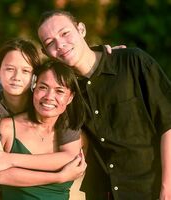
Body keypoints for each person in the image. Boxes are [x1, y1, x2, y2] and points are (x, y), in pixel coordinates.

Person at [37, 10, 171, 200]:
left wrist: (168, 187)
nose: (60, 44)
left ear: (81, 29)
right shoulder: (65, 91)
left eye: (65, 33)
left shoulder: (132, 62)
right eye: (50, 43)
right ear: (46, 52)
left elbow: (168, 122)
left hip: (151, 190)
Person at [0, 39, 87, 200]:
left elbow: (70, 156)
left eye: (25, 71)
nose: (16, 77)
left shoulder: (59, 111)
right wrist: (60, 176)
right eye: (10, 69)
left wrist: (9, 159)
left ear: (34, 76)